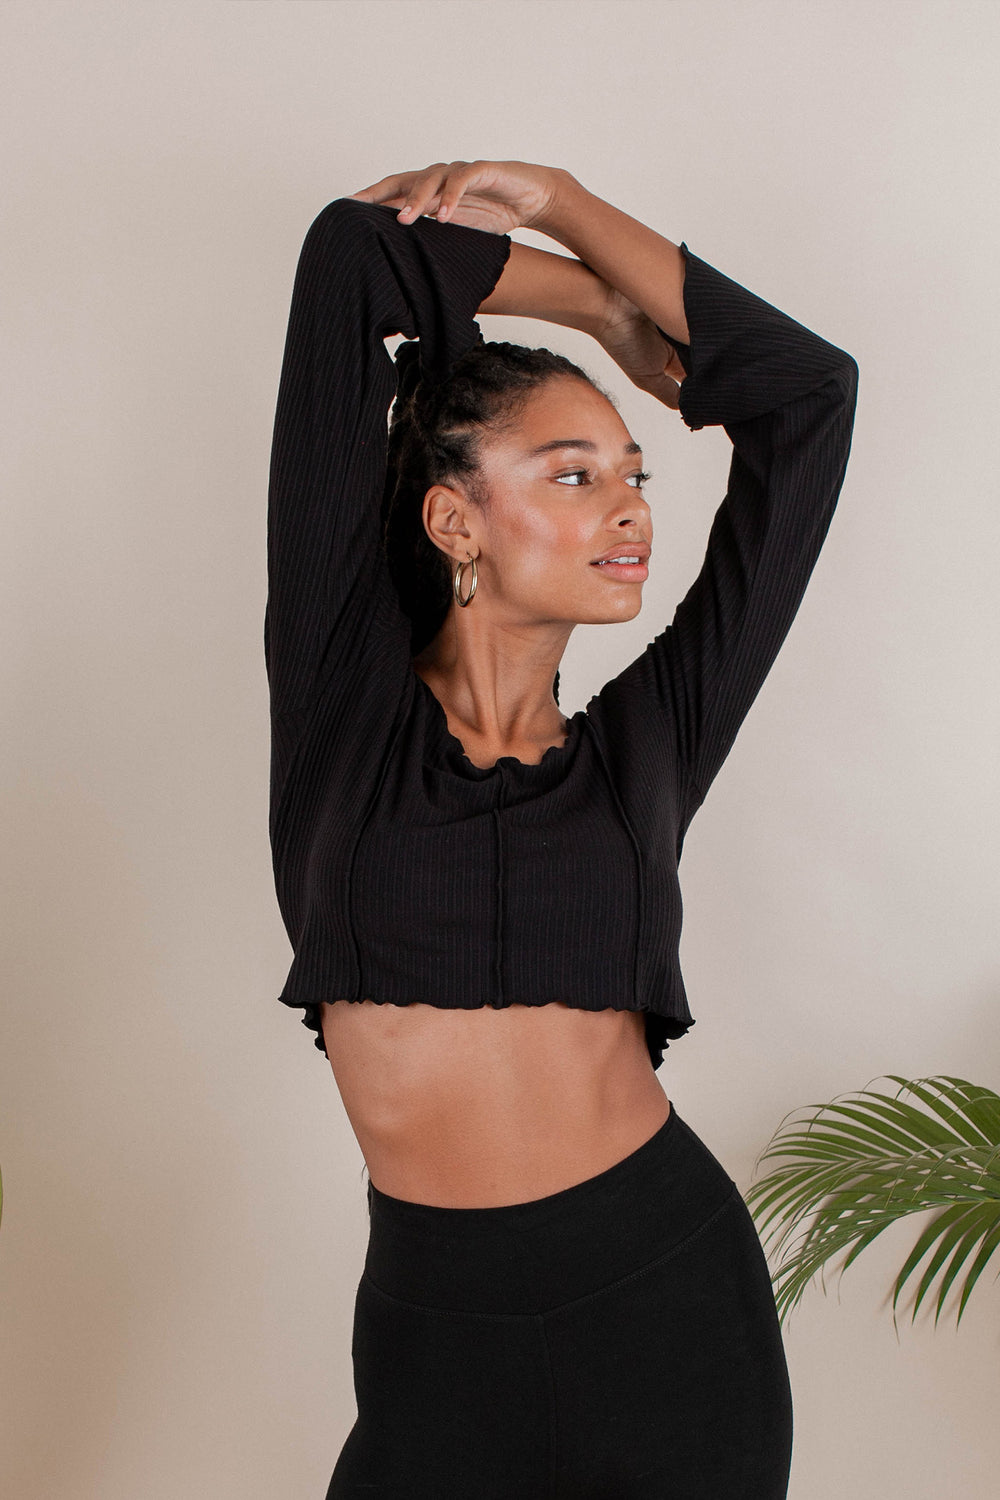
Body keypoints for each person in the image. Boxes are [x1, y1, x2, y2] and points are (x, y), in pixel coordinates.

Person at [265, 159, 859, 1499]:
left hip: (665, 1305)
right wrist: (595, 308)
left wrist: (576, 204)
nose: (631, 507)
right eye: (575, 473)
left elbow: (810, 399)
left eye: (633, 475)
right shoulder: (342, 711)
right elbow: (352, 258)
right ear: (453, 518)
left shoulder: (651, 748)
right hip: (433, 1343)